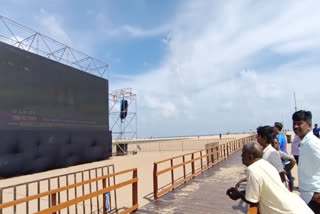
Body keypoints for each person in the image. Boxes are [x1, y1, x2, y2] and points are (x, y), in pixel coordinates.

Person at [226, 142, 313, 214]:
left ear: (250, 156)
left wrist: (238, 195)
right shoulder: (266, 164)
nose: (241, 156)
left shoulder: (252, 170)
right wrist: (242, 193)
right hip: (297, 206)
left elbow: (253, 201)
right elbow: (265, 188)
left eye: (243, 153)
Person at [293, 110, 320, 213]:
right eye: (294, 123)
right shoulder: (304, 142)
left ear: (309, 125)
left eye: (299, 123)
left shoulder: (312, 143)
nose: (295, 126)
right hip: (308, 196)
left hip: (314, 197)